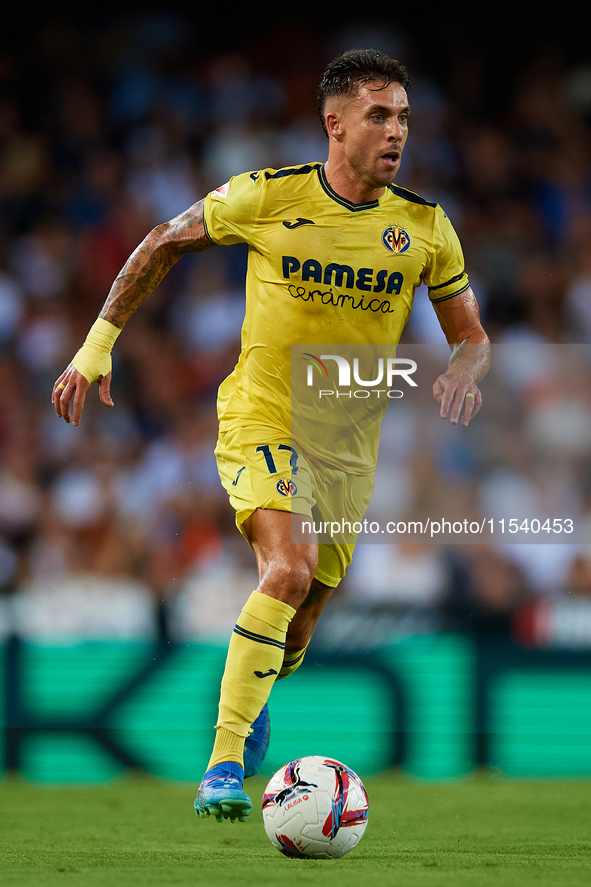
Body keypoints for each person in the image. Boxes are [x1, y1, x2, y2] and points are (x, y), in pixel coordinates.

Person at [52, 49, 490, 822]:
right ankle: (222, 764)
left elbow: (471, 334)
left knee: (299, 621)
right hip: (263, 417)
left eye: (405, 119)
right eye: (379, 117)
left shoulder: (423, 227)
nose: (397, 134)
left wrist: (463, 366)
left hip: (348, 450)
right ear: (335, 124)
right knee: (286, 569)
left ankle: (253, 704)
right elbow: (162, 240)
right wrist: (97, 343)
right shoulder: (267, 196)